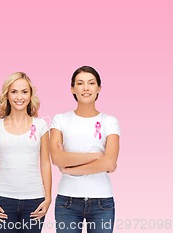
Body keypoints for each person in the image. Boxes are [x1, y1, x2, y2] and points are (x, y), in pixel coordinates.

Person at [50, 66, 120, 233]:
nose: (86, 88)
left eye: (91, 83)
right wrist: (97, 157)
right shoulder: (60, 120)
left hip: (102, 201)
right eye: (80, 83)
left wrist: (70, 169)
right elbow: (57, 158)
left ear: (99, 88)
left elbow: (110, 162)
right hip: (67, 201)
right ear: (72, 88)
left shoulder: (110, 121)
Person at [0, 72, 52, 233]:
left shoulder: (41, 125)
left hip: (34, 200)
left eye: (24, 92)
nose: (19, 97)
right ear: (7, 95)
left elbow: (45, 163)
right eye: (14, 91)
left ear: (30, 95)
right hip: (3, 200)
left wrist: (48, 198)